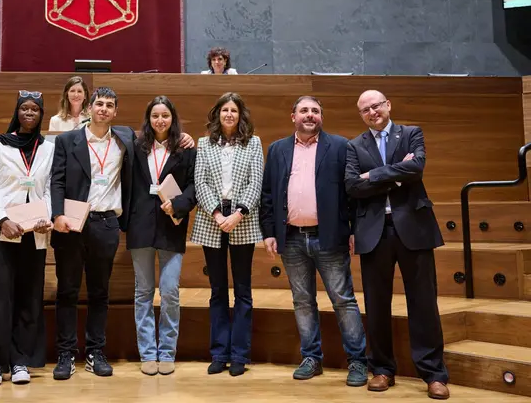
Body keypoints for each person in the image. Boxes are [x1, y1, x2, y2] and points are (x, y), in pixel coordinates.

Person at [49, 87, 194, 380]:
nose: (103, 109)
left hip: (106, 224)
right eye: (99, 104)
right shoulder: (68, 140)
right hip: (73, 223)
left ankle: (95, 352)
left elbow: (170, 152)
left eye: (109, 105)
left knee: (100, 293)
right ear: (89, 108)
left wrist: (185, 137)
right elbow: (57, 180)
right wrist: (57, 215)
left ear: (116, 112)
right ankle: (66, 354)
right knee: (67, 291)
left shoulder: (124, 138)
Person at [345, 90, 449, 400]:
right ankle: (382, 369)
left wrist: (374, 175)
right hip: (373, 232)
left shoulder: (411, 133)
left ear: (388, 105)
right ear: (361, 115)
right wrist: (397, 176)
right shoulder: (354, 146)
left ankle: (433, 374)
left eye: (375, 105)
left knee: (424, 303)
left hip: (414, 228)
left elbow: (416, 167)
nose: (372, 112)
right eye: (365, 109)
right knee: (377, 305)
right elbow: (352, 186)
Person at [259, 96, 367, 386]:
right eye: (304, 110)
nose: (310, 115)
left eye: (315, 111)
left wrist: (354, 229)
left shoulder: (341, 147)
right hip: (291, 238)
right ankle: (311, 358)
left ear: (322, 116)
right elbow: (268, 195)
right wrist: (269, 231)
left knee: (343, 300)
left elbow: (352, 193)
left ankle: (357, 361)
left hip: (330, 237)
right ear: (292, 116)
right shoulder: (278, 149)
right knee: (302, 301)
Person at [0, 91, 54, 386]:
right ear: (17, 112)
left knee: (28, 296)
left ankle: (21, 360)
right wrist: (2, 220)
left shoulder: (48, 147)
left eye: (35, 109)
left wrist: (44, 216)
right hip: (1, 234)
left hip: (34, 234)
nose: (30, 113)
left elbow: (49, 187)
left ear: (41, 114)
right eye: (25, 108)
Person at [190, 92, 262, 377]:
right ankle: (219, 353)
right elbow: (200, 182)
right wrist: (218, 214)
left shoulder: (253, 143)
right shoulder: (204, 144)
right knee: (217, 290)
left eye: (234, 110)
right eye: (224, 110)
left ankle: (240, 355)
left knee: (243, 290)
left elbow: (256, 181)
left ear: (240, 115)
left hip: (242, 218)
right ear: (217, 115)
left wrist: (238, 214)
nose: (229, 114)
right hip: (213, 219)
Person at [126, 96, 197, 376]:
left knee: (169, 292)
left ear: (172, 118)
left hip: (172, 225)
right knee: (143, 293)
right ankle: (147, 353)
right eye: (155, 115)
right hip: (141, 227)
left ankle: (167, 352)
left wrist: (178, 206)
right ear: (148, 119)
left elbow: (193, 185)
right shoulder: (135, 147)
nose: (160, 120)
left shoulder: (185, 148)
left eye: (165, 115)